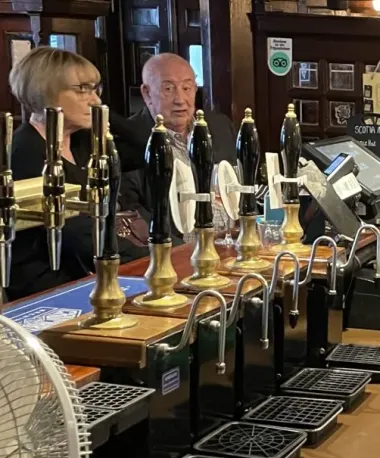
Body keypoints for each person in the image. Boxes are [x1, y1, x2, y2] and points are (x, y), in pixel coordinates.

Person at [7, 47, 147, 300]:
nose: (93, 98)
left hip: (90, 273)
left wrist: (103, 116)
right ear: (45, 91)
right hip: (46, 289)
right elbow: (79, 233)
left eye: (95, 89)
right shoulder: (25, 152)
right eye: (82, 89)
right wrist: (151, 260)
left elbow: (143, 149)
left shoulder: (83, 141)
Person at [110, 53, 235, 220]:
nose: (180, 100)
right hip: (175, 244)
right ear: (147, 94)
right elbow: (135, 217)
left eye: (187, 88)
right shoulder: (129, 141)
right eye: (168, 89)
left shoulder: (220, 127)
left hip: (232, 241)